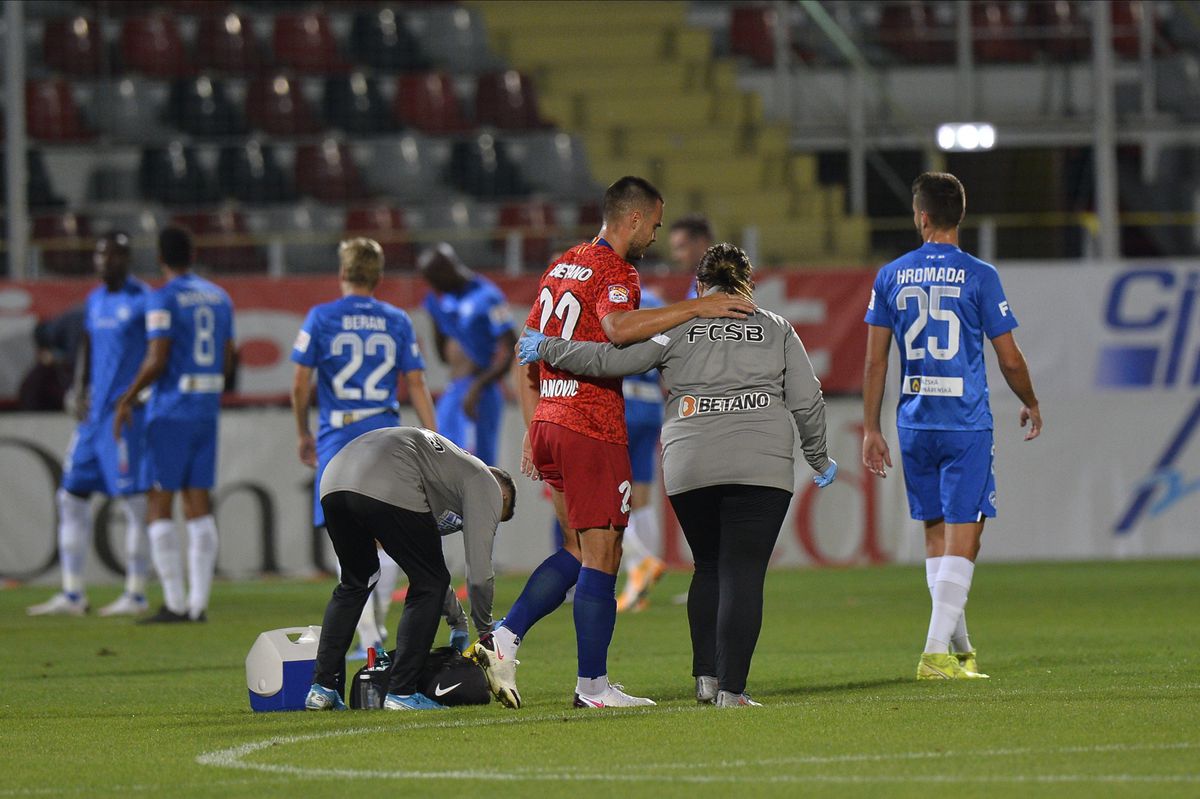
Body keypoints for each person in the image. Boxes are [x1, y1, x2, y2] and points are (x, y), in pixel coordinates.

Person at [469, 176, 755, 710]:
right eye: (654, 224)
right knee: (603, 554)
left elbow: (526, 353)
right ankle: (593, 688)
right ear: (633, 220)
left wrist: (535, 428)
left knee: (578, 550)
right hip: (590, 425)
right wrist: (696, 308)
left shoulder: (562, 265)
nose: (655, 234)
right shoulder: (615, 269)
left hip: (552, 419)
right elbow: (618, 328)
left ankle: (503, 639)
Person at [520, 242, 837, 707]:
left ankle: (706, 679)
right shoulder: (777, 328)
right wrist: (819, 457)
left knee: (707, 566)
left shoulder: (679, 327)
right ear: (748, 283)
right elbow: (807, 400)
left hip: (691, 464)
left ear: (699, 286)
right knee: (742, 572)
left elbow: (610, 361)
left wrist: (547, 346)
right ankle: (732, 690)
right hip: (761, 461)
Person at [861, 172, 1042, 680]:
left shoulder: (890, 275)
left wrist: (872, 428)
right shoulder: (980, 275)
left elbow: (876, 362)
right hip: (964, 422)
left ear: (921, 216)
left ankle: (960, 649)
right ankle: (935, 650)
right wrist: (1029, 400)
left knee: (940, 531)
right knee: (968, 530)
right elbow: (1008, 357)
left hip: (914, 421)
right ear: (959, 216)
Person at [290, 237, 438, 653]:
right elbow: (417, 383)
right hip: (385, 432)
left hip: (339, 433)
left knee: (346, 536)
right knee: (386, 532)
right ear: (378, 276)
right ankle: (377, 629)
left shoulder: (320, 317)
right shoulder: (397, 319)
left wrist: (302, 431)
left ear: (342, 273)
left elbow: (301, 384)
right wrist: (434, 437)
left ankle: (369, 634)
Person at [304, 427, 516, 711]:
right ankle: (401, 692)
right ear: (501, 499)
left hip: (332, 480)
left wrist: (458, 622)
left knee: (356, 581)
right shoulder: (485, 483)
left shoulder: (445, 476)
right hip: (386, 479)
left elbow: (425, 564)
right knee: (429, 582)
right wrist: (487, 632)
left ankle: (323, 689)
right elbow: (478, 575)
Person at [114, 226, 235, 623]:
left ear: (160, 257)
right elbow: (230, 357)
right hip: (206, 409)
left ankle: (175, 602)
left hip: (171, 411)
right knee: (198, 502)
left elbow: (157, 360)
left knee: (159, 500)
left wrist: (127, 398)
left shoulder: (162, 297)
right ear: (193, 252)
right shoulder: (220, 297)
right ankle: (198, 604)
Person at [28, 233, 153, 617]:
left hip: (124, 418)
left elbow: (160, 349)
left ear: (126, 259)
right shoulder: (95, 300)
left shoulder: (144, 299)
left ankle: (135, 593)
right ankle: (72, 593)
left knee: (134, 503)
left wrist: (144, 394)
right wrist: (77, 389)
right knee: (70, 498)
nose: (104, 261)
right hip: (92, 418)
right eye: (100, 254)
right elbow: (87, 347)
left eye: (112, 255)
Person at [417, 242, 516, 466]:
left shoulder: (488, 296)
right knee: (442, 464)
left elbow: (512, 347)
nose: (434, 288)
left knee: (478, 467)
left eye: (434, 281)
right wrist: (436, 317)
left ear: (446, 270)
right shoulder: (446, 298)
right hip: (454, 390)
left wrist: (479, 386)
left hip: (480, 393)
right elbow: (443, 357)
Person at [615, 286, 666, 613]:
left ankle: (642, 561)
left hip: (625, 403)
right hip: (652, 406)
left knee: (610, 496)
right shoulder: (658, 304)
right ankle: (641, 591)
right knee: (643, 498)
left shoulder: (617, 299)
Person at [668, 214, 713, 299]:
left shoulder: (721, 282)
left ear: (701, 244)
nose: (675, 257)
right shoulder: (698, 280)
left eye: (681, 247)